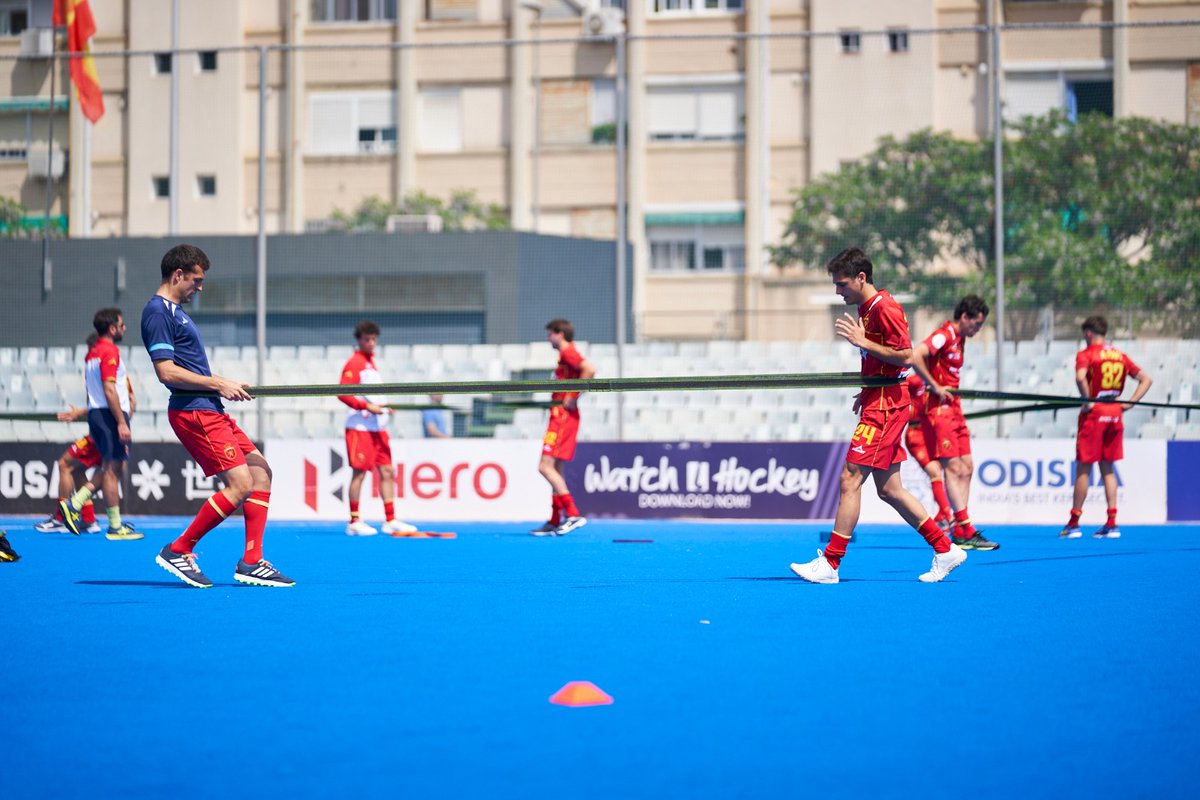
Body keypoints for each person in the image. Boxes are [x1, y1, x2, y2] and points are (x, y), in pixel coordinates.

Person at [789, 247, 966, 584]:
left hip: (886, 407)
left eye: (841, 285)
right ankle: (945, 549)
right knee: (889, 489)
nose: (837, 291)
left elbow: (906, 356)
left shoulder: (884, 307)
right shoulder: (867, 308)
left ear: (861, 278)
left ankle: (831, 563)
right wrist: (868, 388)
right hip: (880, 398)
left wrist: (863, 343)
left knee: (849, 478)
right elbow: (889, 363)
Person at [142, 243, 293, 588]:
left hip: (210, 408)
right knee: (240, 485)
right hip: (194, 412)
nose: (200, 286)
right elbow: (165, 372)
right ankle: (179, 549)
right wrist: (218, 383)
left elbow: (189, 368)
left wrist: (225, 385)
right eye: (196, 279)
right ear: (177, 275)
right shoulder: (157, 312)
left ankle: (251, 562)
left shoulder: (174, 311)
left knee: (261, 473)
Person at [909, 294, 998, 550]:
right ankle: (964, 527)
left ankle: (961, 526)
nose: (978, 329)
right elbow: (917, 355)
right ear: (964, 317)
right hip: (939, 411)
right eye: (977, 324)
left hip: (954, 409)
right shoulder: (945, 334)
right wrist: (933, 385)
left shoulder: (959, 340)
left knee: (967, 466)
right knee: (952, 468)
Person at [1060, 315, 1153, 539]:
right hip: (1115, 413)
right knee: (1108, 468)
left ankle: (1074, 523)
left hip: (1095, 414)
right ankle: (1112, 522)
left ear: (1089, 333)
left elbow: (1081, 377)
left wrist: (1087, 400)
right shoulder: (1120, 355)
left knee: (1084, 468)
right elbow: (1146, 379)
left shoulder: (1086, 354)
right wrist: (1129, 402)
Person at [36, 336, 138, 535]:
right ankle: (89, 517)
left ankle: (65, 513)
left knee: (69, 464)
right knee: (100, 470)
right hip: (106, 427)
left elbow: (128, 401)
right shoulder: (97, 366)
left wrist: (120, 423)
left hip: (107, 429)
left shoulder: (107, 365)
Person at [57, 309, 143, 541]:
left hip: (97, 415)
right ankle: (113, 526)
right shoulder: (109, 351)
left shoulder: (91, 354)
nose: (124, 329)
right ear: (112, 328)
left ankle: (76, 505)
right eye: (122, 325)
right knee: (112, 471)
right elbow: (108, 388)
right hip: (109, 416)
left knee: (110, 469)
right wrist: (121, 422)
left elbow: (94, 392)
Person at [337, 320, 417, 536]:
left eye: (374, 339)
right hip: (360, 427)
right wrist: (368, 407)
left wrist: (384, 407)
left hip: (377, 428)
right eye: (367, 339)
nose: (371, 343)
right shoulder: (355, 362)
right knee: (360, 473)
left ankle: (390, 519)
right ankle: (354, 521)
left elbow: (372, 395)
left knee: (388, 471)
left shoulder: (371, 363)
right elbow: (342, 392)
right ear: (359, 340)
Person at [531, 319, 595, 537]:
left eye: (550, 334)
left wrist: (573, 394)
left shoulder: (568, 352)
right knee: (556, 469)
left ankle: (573, 513)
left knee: (544, 466)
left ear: (560, 333)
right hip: (560, 416)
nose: (548, 338)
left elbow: (589, 369)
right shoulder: (564, 356)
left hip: (563, 417)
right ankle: (555, 519)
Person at [902, 372, 955, 531]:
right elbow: (895, 386)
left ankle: (941, 518)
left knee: (945, 474)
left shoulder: (942, 379)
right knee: (935, 472)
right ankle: (950, 517)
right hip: (916, 434)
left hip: (934, 433)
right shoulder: (914, 379)